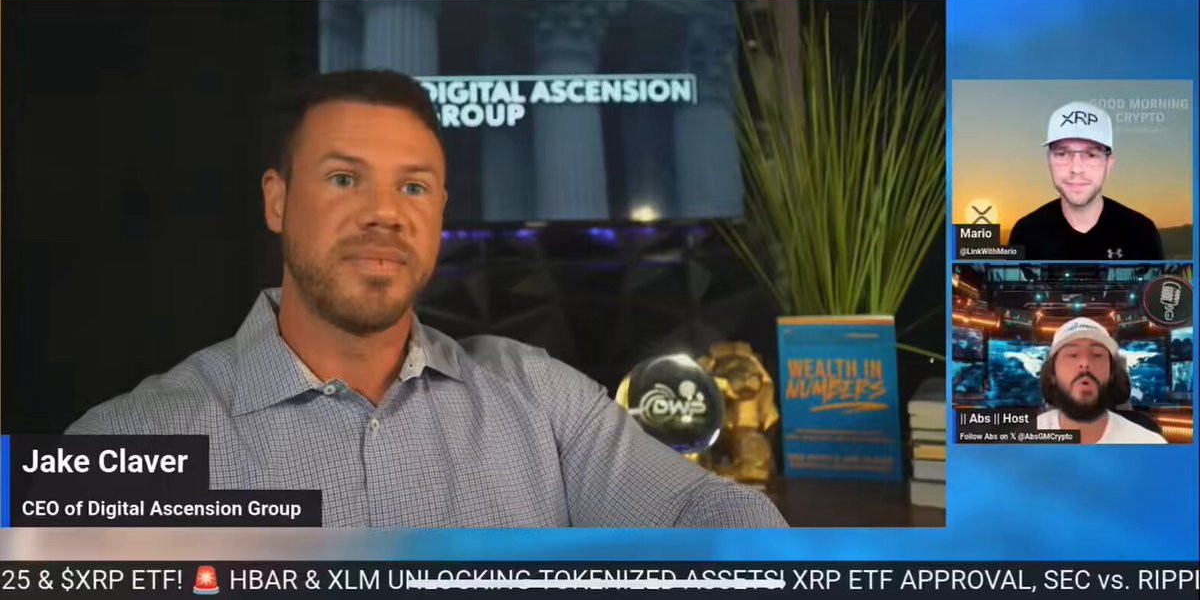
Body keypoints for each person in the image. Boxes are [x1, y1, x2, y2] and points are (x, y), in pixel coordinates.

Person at [67, 69, 787, 528]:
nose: (385, 213)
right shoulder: (132, 443)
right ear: (277, 201)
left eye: (412, 186)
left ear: (439, 211)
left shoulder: (541, 400)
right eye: (344, 179)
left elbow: (715, 515)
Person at [1007, 101, 1163, 260]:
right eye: (1062, 154)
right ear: (1049, 161)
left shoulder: (1141, 232)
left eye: (1091, 155)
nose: (1076, 168)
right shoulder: (1025, 233)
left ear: (1109, 164)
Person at [1036, 317, 1167, 444]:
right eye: (1073, 355)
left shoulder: (1149, 443)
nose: (1085, 363)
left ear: (1112, 373)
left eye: (1097, 355)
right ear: (1052, 373)